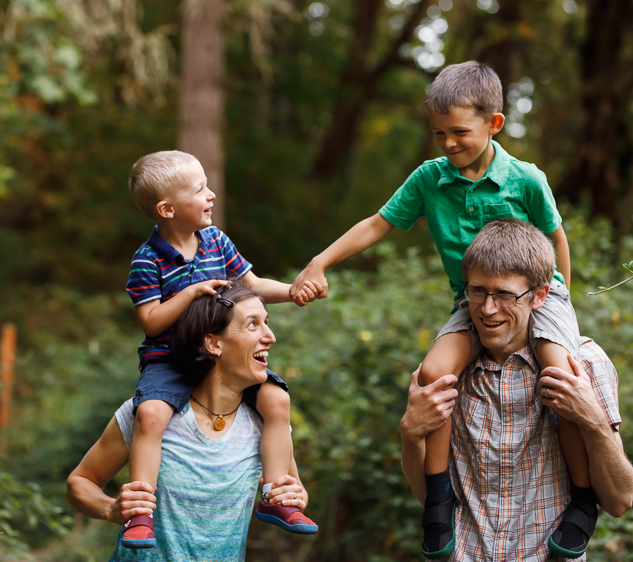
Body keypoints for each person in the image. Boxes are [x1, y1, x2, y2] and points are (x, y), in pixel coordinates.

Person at [291, 62, 593, 558]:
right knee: (432, 372)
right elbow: (377, 224)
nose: (448, 144)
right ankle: (437, 499)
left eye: (459, 133)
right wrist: (318, 262)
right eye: (438, 134)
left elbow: (557, 238)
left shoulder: (526, 180)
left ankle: (581, 500)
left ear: (493, 124)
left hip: (537, 297)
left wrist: (560, 303)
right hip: (471, 302)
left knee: (563, 377)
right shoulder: (431, 180)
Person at [399, 219, 633, 561]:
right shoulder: (449, 370)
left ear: (539, 295)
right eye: (477, 291)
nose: (488, 309)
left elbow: (619, 501)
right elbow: (426, 497)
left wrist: (594, 422)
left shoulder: (583, 364)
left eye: (505, 295)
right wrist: (410, 433)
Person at [122, 151, 320, 547]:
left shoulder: (216, 241)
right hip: (171, 360)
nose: (211, 194)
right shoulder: (147, 260)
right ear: (168, 209)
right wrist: (191, 292)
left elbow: (253, 283)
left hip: (224, 360)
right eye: (199, 189)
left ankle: (274, 494)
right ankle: (140, 512)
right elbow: (151, 320)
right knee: (150, 414)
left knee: (277, 402)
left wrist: (293, 292)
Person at [66, 284, 317, 561]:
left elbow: (295, 489)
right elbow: (80, 483)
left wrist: (295, 496)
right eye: (252, 325)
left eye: (266, 324)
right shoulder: (151, 415)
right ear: (213, 343)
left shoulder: (267, 422)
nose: (270, 337)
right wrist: (111, 509)